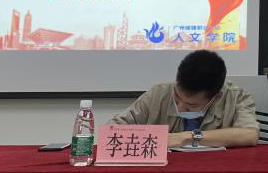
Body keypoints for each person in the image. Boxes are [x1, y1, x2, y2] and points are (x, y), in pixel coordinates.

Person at [110, 49, 258, 148]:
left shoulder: (236, 97)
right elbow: (112, 128)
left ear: (216, 97)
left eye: (191, 105)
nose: (180, 107)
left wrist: (188, 137)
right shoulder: (159, 93)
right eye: (176, 98)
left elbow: (250, 134)